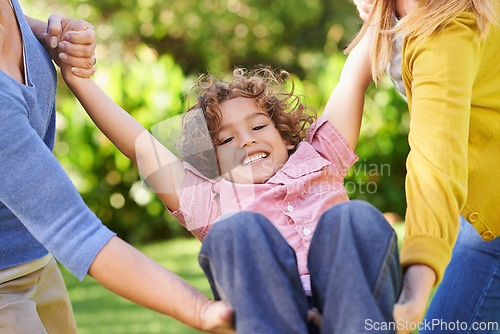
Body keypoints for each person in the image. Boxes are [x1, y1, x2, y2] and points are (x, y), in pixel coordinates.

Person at [59, 15, 403, 332]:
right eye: (226, 139)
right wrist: (79, 81)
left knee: (354, 217)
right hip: (268, 313)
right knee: (237, 229)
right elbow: (140, 147)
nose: (246, 139)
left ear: (283, 134)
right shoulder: (209, 198)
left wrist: (380, 10)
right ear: (213, 163)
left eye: (258, 125)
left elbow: (352, 77)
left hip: (353, 304)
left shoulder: (320, 155)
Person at [0, 0, 234, 333]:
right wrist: (203, 311)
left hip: (37, 260)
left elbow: (17, 23)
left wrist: (50, 36)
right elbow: (77, 233)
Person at [349, 0, 500, 332]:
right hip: (477, 202)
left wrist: (413, 292)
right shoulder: (395, 17)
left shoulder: (445, 33)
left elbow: (436, 161)